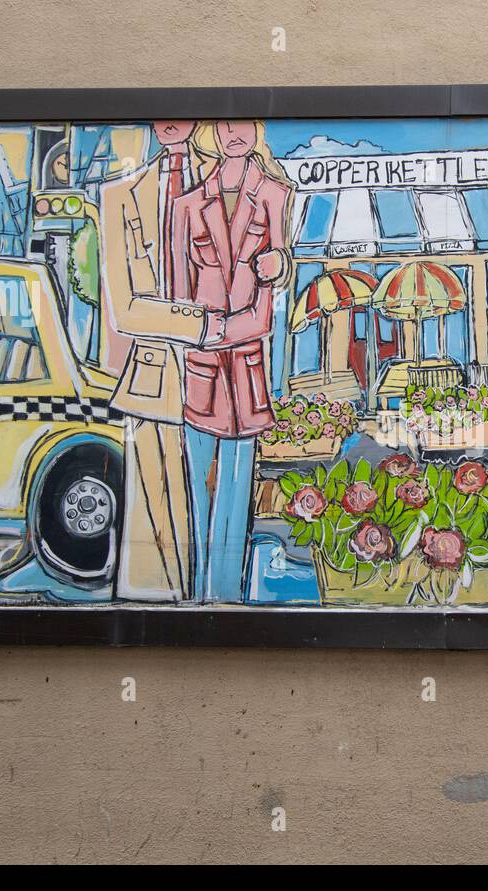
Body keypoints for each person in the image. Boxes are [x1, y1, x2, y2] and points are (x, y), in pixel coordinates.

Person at [170, 120, 293, 603]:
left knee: (238, 482)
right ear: (211, 134)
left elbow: (280, 264)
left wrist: (277, 265)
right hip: (201, 358)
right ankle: (195, 594)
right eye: (223, 125)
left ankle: (226, 595)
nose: (233, 133)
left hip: (244, 359)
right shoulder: (187, 204)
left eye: (242, 124)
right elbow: (179, 290)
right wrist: (198, 333)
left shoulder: (274, 194)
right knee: (199, 479)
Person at [99, 121, 219, 602]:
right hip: (152, 379)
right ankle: (160, 607)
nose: (172, 124)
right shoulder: (119, 196)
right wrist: (202, 323)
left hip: (222, 373)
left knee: (212, 505)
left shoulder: (227, 180)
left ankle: (216, 600)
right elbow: (124, 308)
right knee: (153, 514)